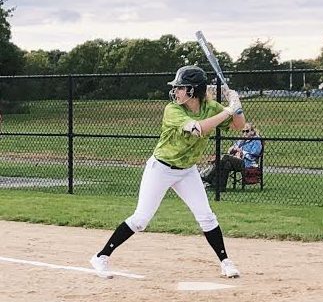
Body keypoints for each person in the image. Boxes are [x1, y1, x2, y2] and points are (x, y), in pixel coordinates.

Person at [89, 65, 245, 278]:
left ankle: (226, 262)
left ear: (193, 90)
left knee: (206, 216)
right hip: (161, 168)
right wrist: (227, 110)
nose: (176, 91)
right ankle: (101, 257)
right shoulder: (172, 110)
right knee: (141, 219)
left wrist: (237, 107)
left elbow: (239, 125)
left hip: (187, 171)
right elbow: (198, 129)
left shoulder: (211, 107)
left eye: (181, 87)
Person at [202, 122, 262, 191]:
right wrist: (232, 149)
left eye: (247, 131)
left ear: (252, 131)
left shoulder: (256, 141)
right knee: (226, 164)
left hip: (247, 163)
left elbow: (254, 155)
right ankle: (220, 187)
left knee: (225, 158)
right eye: (243, 131)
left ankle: (208, 177)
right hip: (236, 160)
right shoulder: (242, 140)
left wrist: (242, 152)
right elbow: (231, 149)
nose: (244, 133)